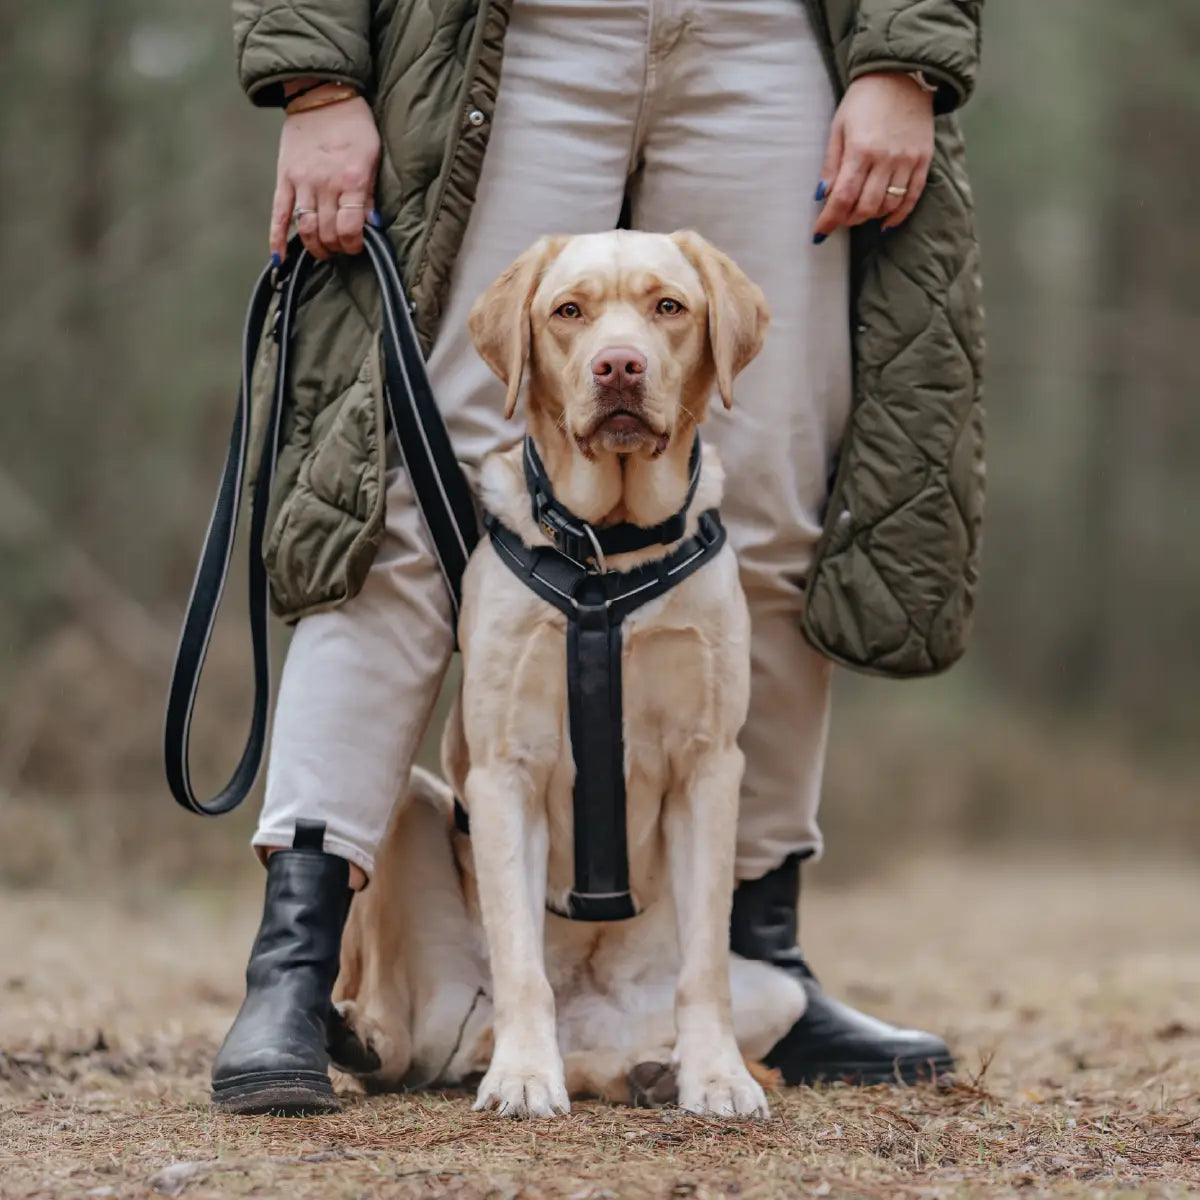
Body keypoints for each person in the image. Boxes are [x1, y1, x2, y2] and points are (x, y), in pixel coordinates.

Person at [213, 0, 985, 1114]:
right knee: (400, 507)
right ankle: (293, 966)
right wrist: (317, 80)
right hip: (511, 33)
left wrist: (906, 55)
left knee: (769, 510)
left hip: (773, 36)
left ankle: (746, 961)